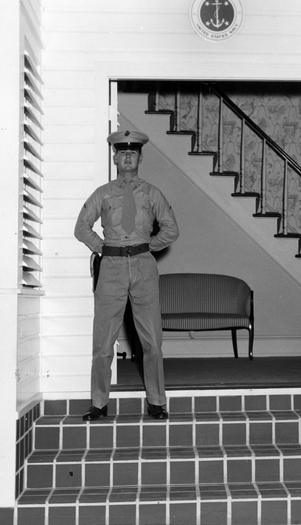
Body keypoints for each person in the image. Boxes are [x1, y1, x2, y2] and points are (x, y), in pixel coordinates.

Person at [74, 129, 179, 421]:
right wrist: (104, 249)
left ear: (141, 157)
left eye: (133, 152)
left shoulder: (152, 193)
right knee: (103, 342)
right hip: (112, 269)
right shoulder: (103, 193)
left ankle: (157, 402)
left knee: (152, 342)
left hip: (144, 268)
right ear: (115, 157)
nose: (128, 157)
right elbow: (81, 227)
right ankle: (98, 403)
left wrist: (147, 248)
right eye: (122, 152)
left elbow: (171, 229)